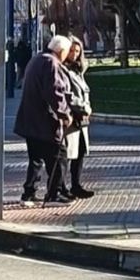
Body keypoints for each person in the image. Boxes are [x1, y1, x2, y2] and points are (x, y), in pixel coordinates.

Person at [14, 33, 73, 206]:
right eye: (67, 52)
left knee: (36, 159)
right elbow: (54, 92)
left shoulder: (37, 59)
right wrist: (64, 114)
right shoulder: (51, 63)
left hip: (29, 120)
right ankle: (53, 194)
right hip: (44, 121)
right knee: (58, 156)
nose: (66, 56)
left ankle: (29, 193)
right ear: (60, 50)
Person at [63, 40, 94, 198]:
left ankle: (76, 185)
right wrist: (84, 107)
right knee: (68, 153)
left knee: (80, 151)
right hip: (71, 117)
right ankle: (61, 187)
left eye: (77, 51)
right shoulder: (64, 70)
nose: (74, 54)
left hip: (81, 119)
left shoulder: (78, 70)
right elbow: (69, 95)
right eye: (71, 51)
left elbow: (84, 91)